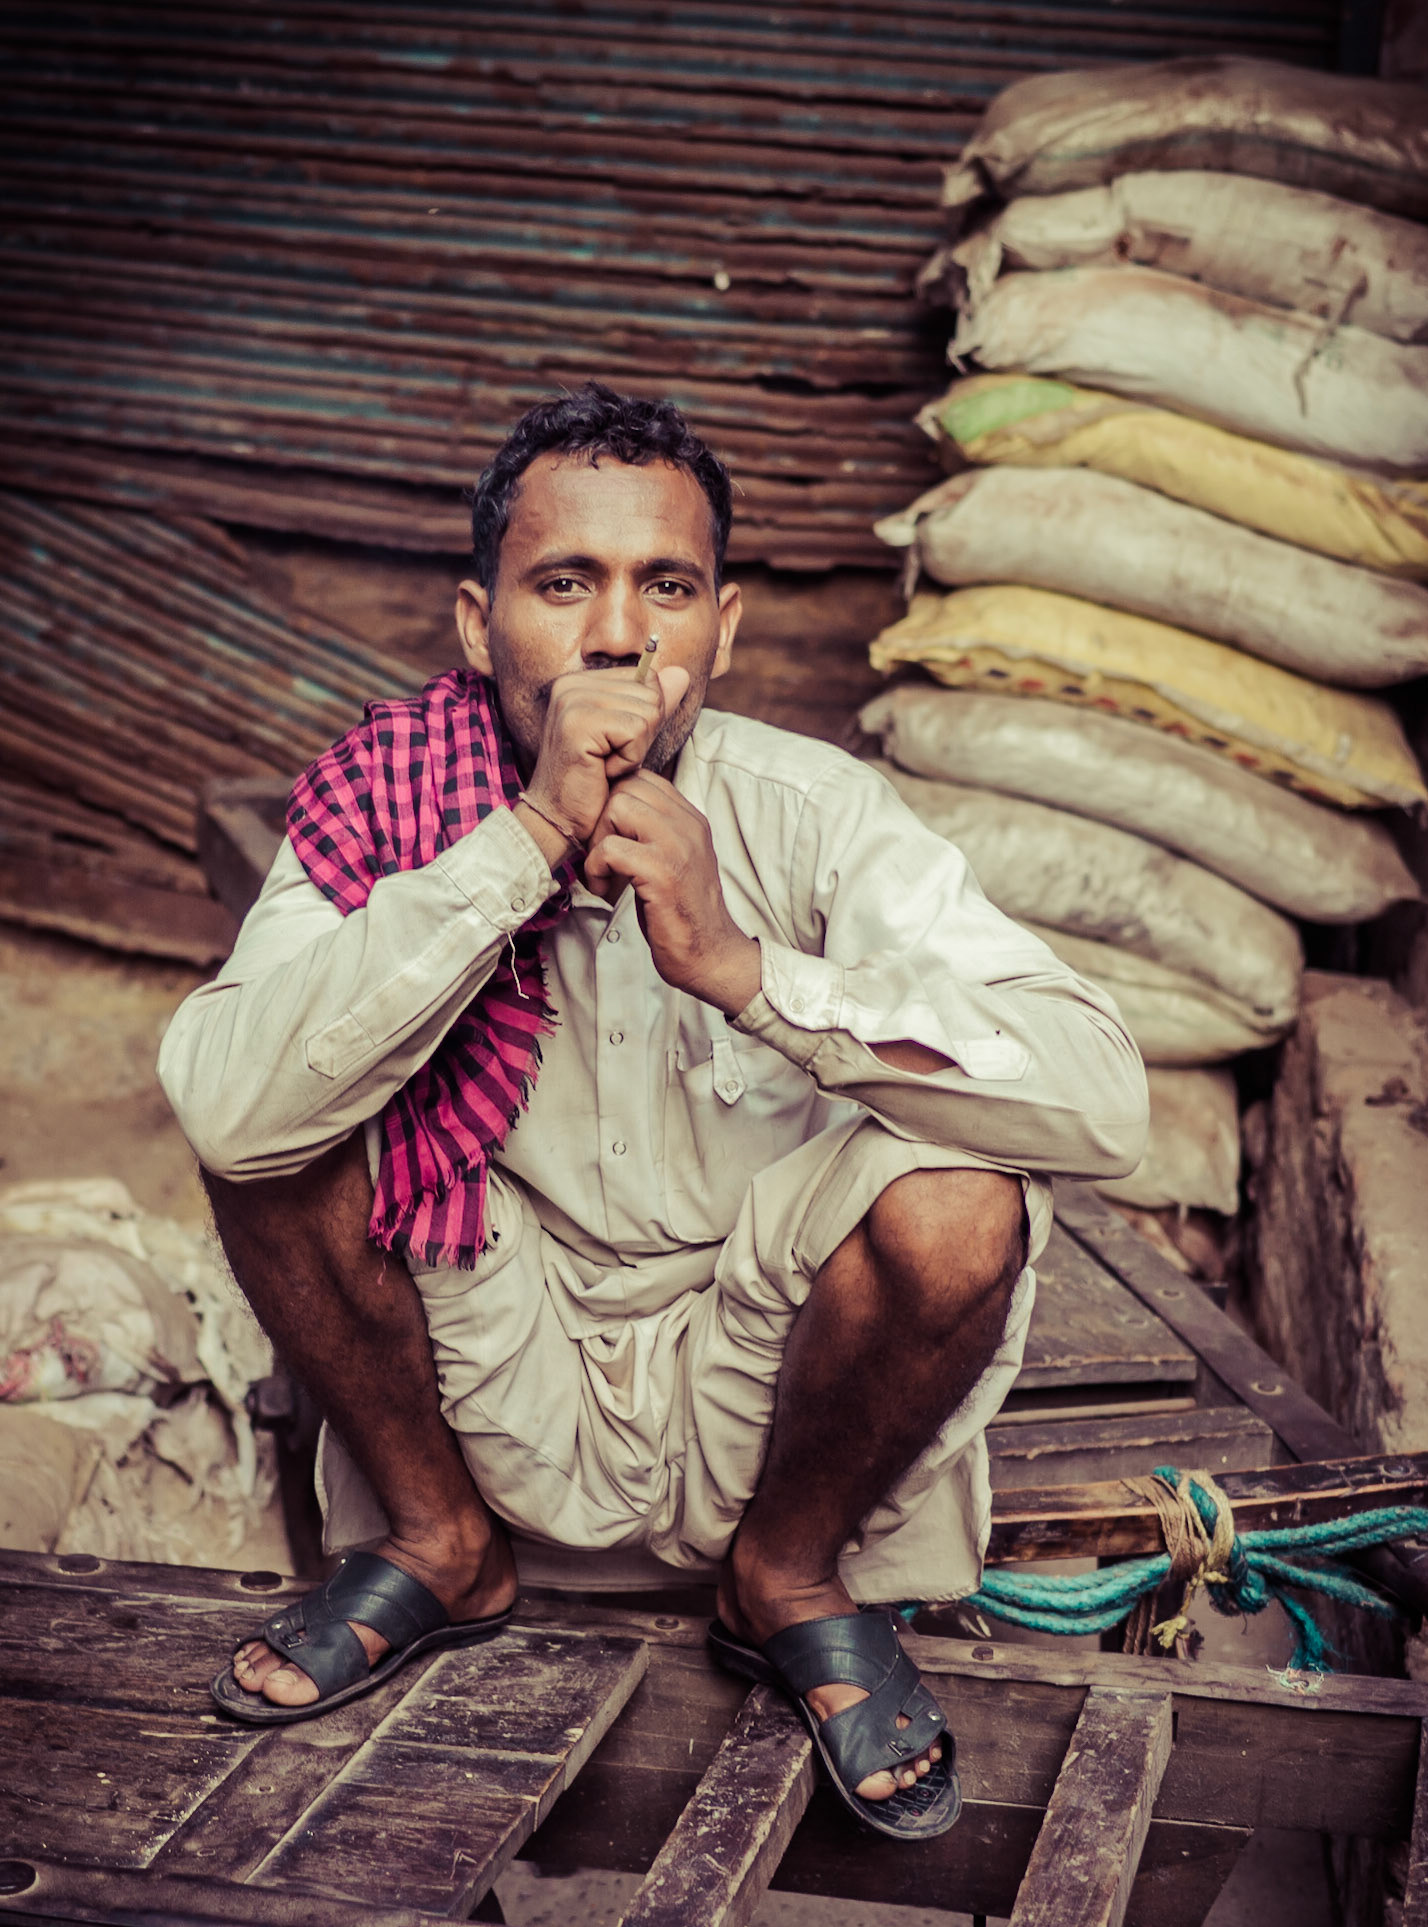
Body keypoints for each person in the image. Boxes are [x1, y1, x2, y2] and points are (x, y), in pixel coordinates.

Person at [159, 380, 1148, 1841]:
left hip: (755, 1380)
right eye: (565, 583)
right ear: (478, 621)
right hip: (501, 1354)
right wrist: (526, 843)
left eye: (666, 588)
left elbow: (1104, 1098)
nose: (620, 637)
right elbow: (227, 1106)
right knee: (281, 1116)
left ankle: (790, 1577)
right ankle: (442, 1546)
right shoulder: (392, 801)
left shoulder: (816, 814)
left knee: (962, 1199)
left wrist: (747, 972)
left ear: (725, 630)